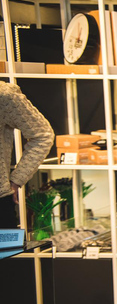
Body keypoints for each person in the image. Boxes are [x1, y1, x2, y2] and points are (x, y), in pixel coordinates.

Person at [0, 82, 54, 229]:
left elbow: (43, 135)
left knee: (5, 251)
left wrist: (17, 179)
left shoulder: (4, 95)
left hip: (1, 203)